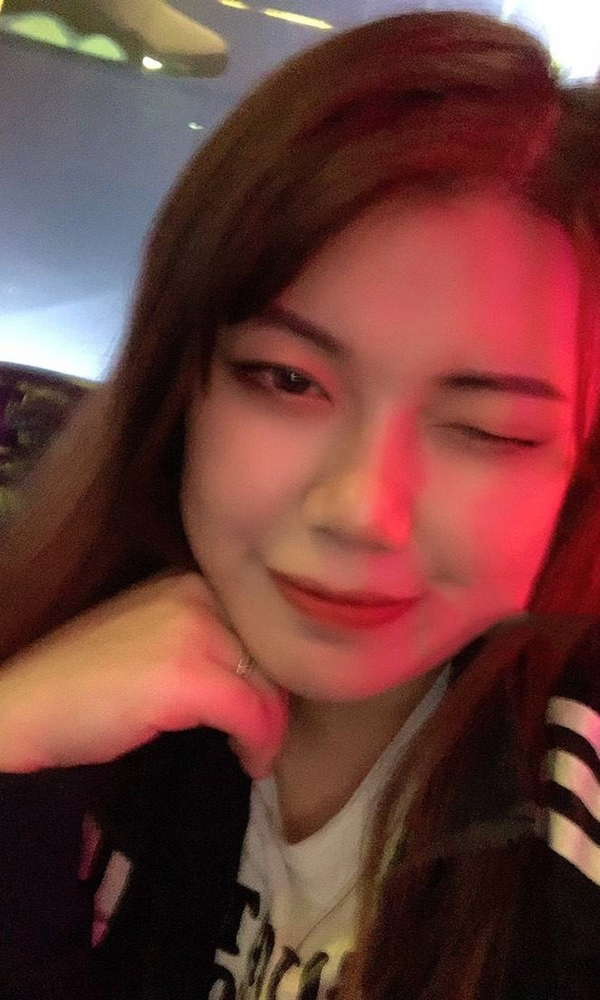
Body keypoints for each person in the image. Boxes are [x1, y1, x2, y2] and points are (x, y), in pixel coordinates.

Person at [0, 9, 599, 1000]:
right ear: (182, 385)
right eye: (287, 380)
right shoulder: (67, 681)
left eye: (488, 430)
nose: (362, 509)